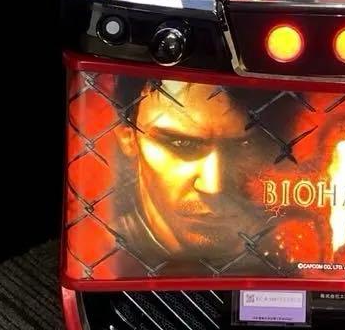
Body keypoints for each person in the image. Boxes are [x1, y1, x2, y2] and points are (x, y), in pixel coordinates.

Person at [112, 77, 267, 262]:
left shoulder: (283, 246)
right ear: (129, 139)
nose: (214, 186)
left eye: (244, 145)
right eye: (182, 143)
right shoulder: (104, 252)